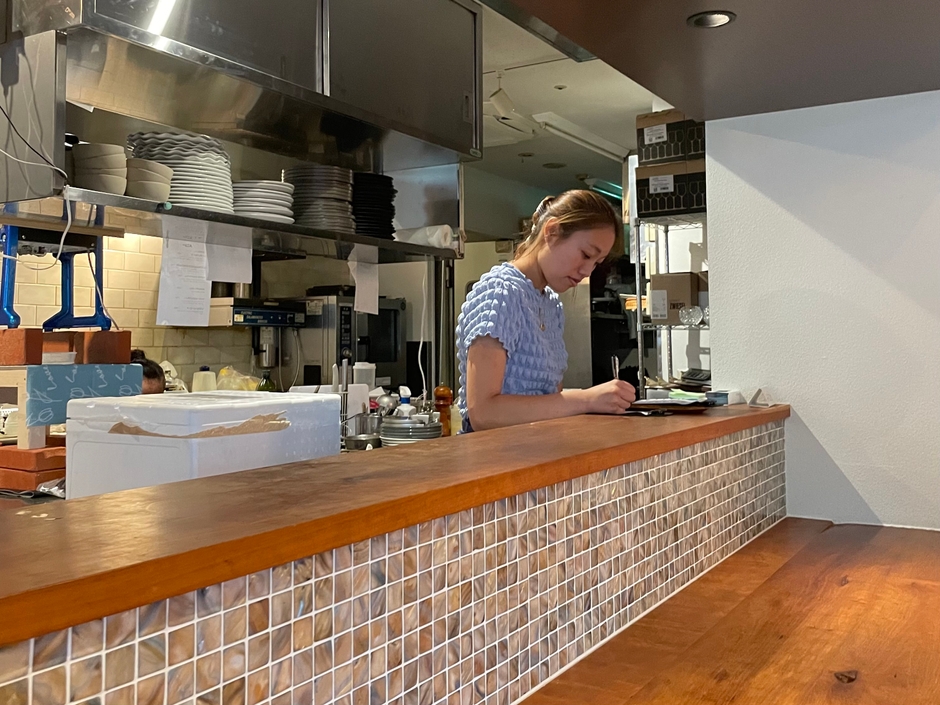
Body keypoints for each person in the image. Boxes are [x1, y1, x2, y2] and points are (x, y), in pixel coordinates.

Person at [456, 190, 636, 432]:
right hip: (494, 454)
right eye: (585, 255)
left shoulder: (551, 304)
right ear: (551, 231)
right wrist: (586, 399)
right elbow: (484, 413)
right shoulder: (499, 293)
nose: (587, 271)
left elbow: (550, 401)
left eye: (595, 263)